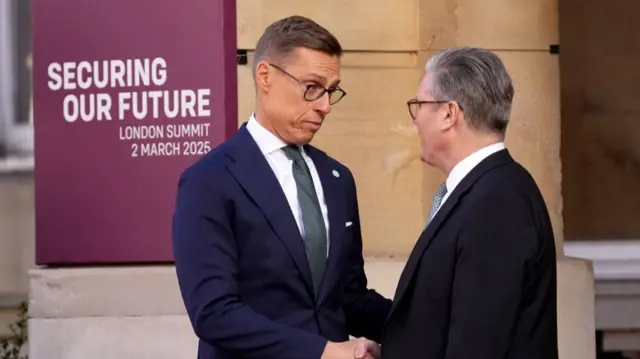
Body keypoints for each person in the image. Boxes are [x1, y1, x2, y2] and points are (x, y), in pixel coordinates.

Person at [172, 15, 392, 359]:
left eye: (331, 91)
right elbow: (213, 313)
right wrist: (324, 352)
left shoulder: (338, 178)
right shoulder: (208, 180)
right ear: (265, 76)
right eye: (312, 87)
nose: (324, 106)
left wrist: (427, 325)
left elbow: (346, 297)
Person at [380, 47, 558, 359]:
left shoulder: (497, 203)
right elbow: (442, 320)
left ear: (449, 113)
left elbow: (478, 342)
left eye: (419, 105)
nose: (415, 119)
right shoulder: (484, 191)